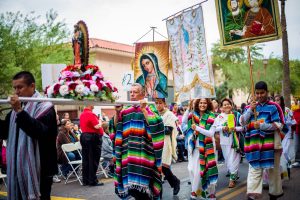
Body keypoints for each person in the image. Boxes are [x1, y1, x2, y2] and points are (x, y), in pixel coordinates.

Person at [0, 71, 58, 199]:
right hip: (18, 168)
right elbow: (4, 133)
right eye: (14, 88)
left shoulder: (46, 108)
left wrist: (20, 111)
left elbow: (40, 133)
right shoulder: (15, 111)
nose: (16, 92)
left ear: (32, 86)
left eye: (20, 87)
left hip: (41, 169)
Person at [114, 83, 165, 200]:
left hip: (145, 155)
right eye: (131, 92)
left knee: (146, 190)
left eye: (135, 92)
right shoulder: (125, 110)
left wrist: (144, 110)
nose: (132, 94)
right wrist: (117, 113)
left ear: (142, 94)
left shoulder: (149, 107)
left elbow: (157, 125)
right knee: (133, 190)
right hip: (128, 156)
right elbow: (116, 128)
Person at [240, 81, 285, 200]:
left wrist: (261, 126)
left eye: (262, 93)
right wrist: (250, 110)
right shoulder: (249, 107)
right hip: (253, 145)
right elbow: (242, 122)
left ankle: (274, 195)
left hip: (271, 147)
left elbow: (279, 125)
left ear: (267, 92)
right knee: (254, 171)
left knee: (274, 173)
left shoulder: (274, 107)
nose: (259, 96)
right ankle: (253, 196)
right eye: (257, 93)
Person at [205, 98, 243, 188]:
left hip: (235, 142)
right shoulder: (220, 117)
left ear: (231, 105)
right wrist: (222, 128)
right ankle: (233, 174)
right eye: (224, 105)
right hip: (224, 142)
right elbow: (214, 128)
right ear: (221, 107)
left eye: (228, 104)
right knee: (229, 161)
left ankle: (232, 179)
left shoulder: (237, 115)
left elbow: (243, 127)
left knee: (235, 160)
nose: (226, 106)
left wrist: (235, 128)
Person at [186, 98, 218, 199]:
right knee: (192, 170)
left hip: (208, 148)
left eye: (204, 103)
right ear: (197, 104)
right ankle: (196, 190)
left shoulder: (212, 116)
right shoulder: (192, 115)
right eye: (200, 103)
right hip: (195, 148)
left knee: (209, 170)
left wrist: (198, 129)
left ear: (208, 104)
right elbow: (185, 124)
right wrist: (194, 134)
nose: (202, 105)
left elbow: (211, 133)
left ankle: (210, 193)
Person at [155, 98, 181, 195]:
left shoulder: (169, 115)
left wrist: (156, 128)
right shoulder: (155, 114)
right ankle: (157, 191)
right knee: (157, 168)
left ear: (164, 104)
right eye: (156, 103)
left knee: (164, 167)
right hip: (156, 142)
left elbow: (169, 130)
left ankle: (175, 182)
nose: (158, 105)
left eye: (160, 103)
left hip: (166, 143)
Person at [80, 105, 104, 186]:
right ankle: (92, 181)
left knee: (86, 159)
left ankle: (86, 180)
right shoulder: (90, 114)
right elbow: (97, 126)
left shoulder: (82, 114)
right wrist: (100, 121)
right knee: (93, 159)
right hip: (92, 137)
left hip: (85, 136)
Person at [274, 95, 296, 179]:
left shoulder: (287, 110)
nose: (276, 102)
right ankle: (281, 171)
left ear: (282, 101)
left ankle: (288, 161)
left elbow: (294, 122)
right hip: (278, 134)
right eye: (275, 100)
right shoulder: (273, 110)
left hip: (286, 133)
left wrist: (286, 122)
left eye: (278, 100)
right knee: (279, 153)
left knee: (285, 152)